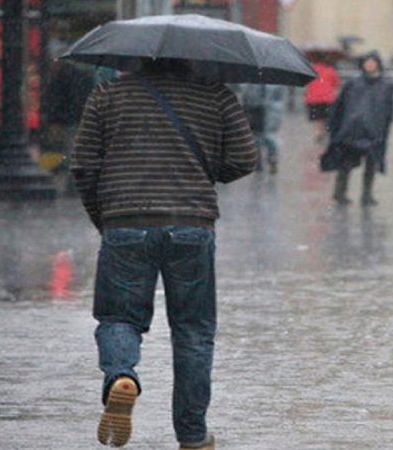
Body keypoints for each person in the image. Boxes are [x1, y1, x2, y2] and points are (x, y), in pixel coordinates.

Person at [71, 58, 257, 450]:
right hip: (192, 223)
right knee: (193, 331)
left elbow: (84, 165)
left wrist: (104, 218)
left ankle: (122, 376)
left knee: (119, 316)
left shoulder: (107, 94)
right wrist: (204, 165)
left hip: (125, 220)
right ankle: (192, 435)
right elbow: (244, 159)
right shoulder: (217, 95)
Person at [320, 51, 393, 206]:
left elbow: (387, 110)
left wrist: (384, 126)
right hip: (352, 129)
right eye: (367, 62)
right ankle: (340, 193)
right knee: (345, 164)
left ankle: (367, 195)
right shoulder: (353, 84)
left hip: (374, 131)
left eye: (373, 62)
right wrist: (337, 126)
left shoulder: (386, 86)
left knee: (371, 164)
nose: (370, 65)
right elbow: (340, 106)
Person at [241, 83, 286, 174]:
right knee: (268, 136)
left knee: (257, 137)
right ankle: (271, 158)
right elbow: (279, 97)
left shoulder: (248, 81)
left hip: (257, 111)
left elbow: (246, 97)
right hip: (268, 111)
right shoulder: (276, 82)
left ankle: (260, 160)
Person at [304, 57, 342, 144]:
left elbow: (305, 82)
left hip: (313, 98)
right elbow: (337, 83)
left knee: (316, 117)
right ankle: (324, 131)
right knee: (325, 117)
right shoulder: (330, 70)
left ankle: (318, 132)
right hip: (327, 98)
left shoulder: (310, 70)